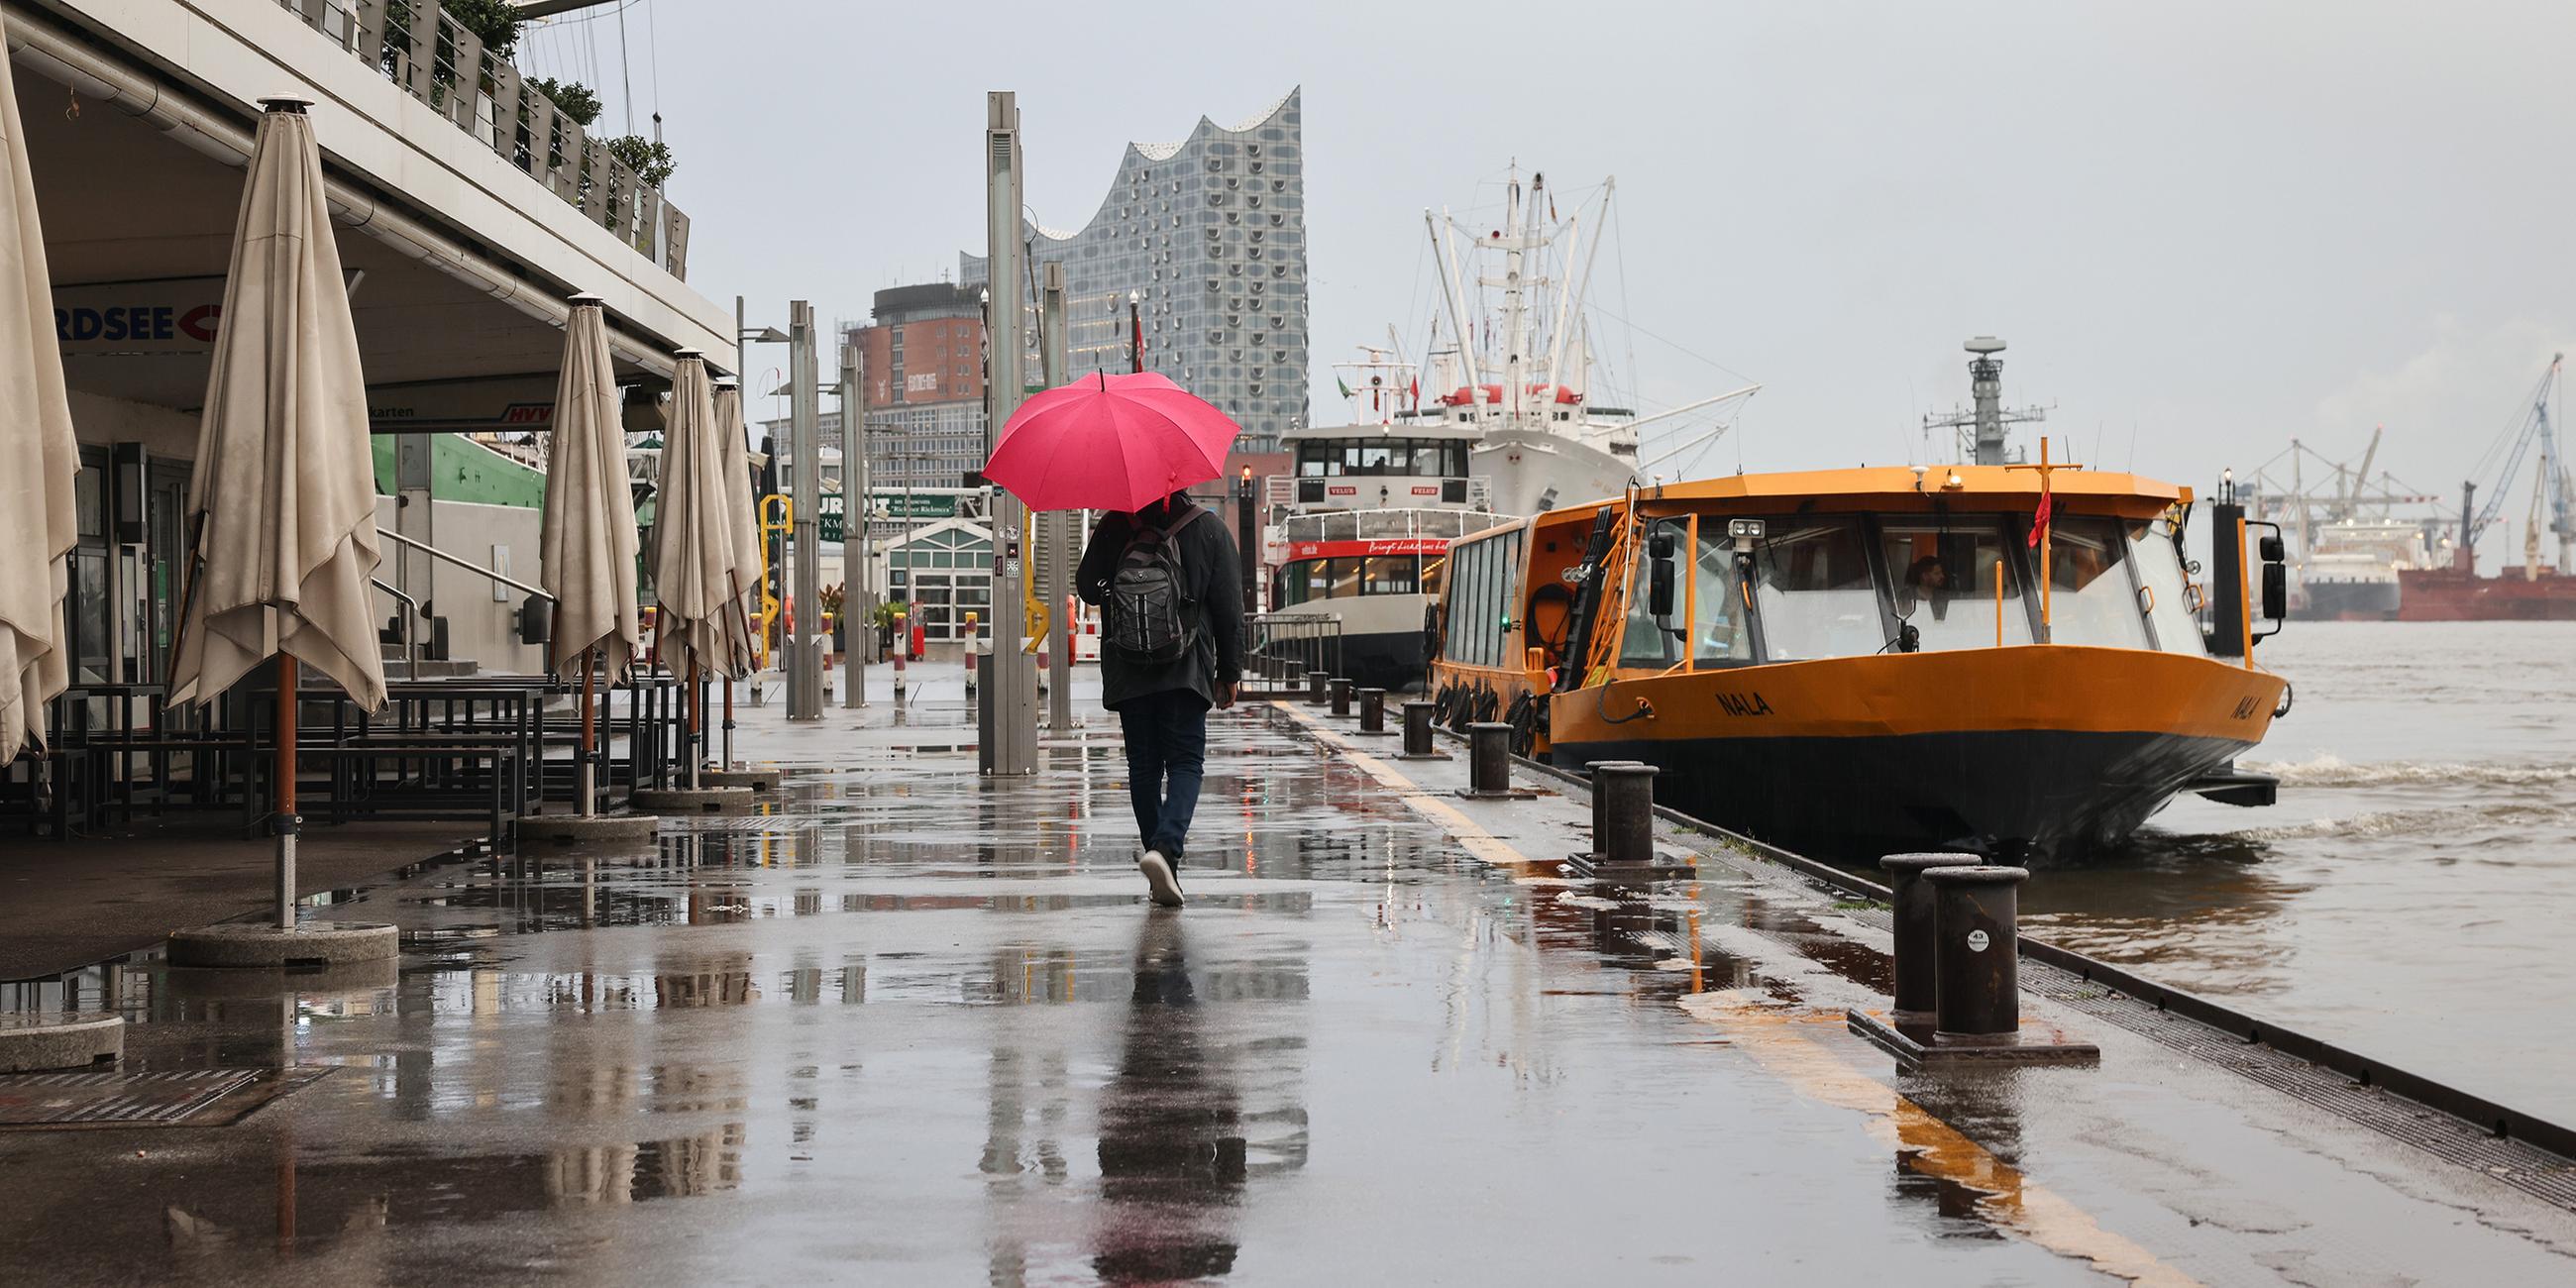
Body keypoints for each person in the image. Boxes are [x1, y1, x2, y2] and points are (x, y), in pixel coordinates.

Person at [1077, 488, 1244, 908]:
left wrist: (1115, 587)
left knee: (1144, 767)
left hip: (1129, 669)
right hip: (1185, 670)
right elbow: (1229, 610)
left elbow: (1085, 585)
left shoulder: (1116, 523)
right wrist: (1229, 674)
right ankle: (1166, 851)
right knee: (1186, 762)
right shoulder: (1209, 530)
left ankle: (1159, 864)